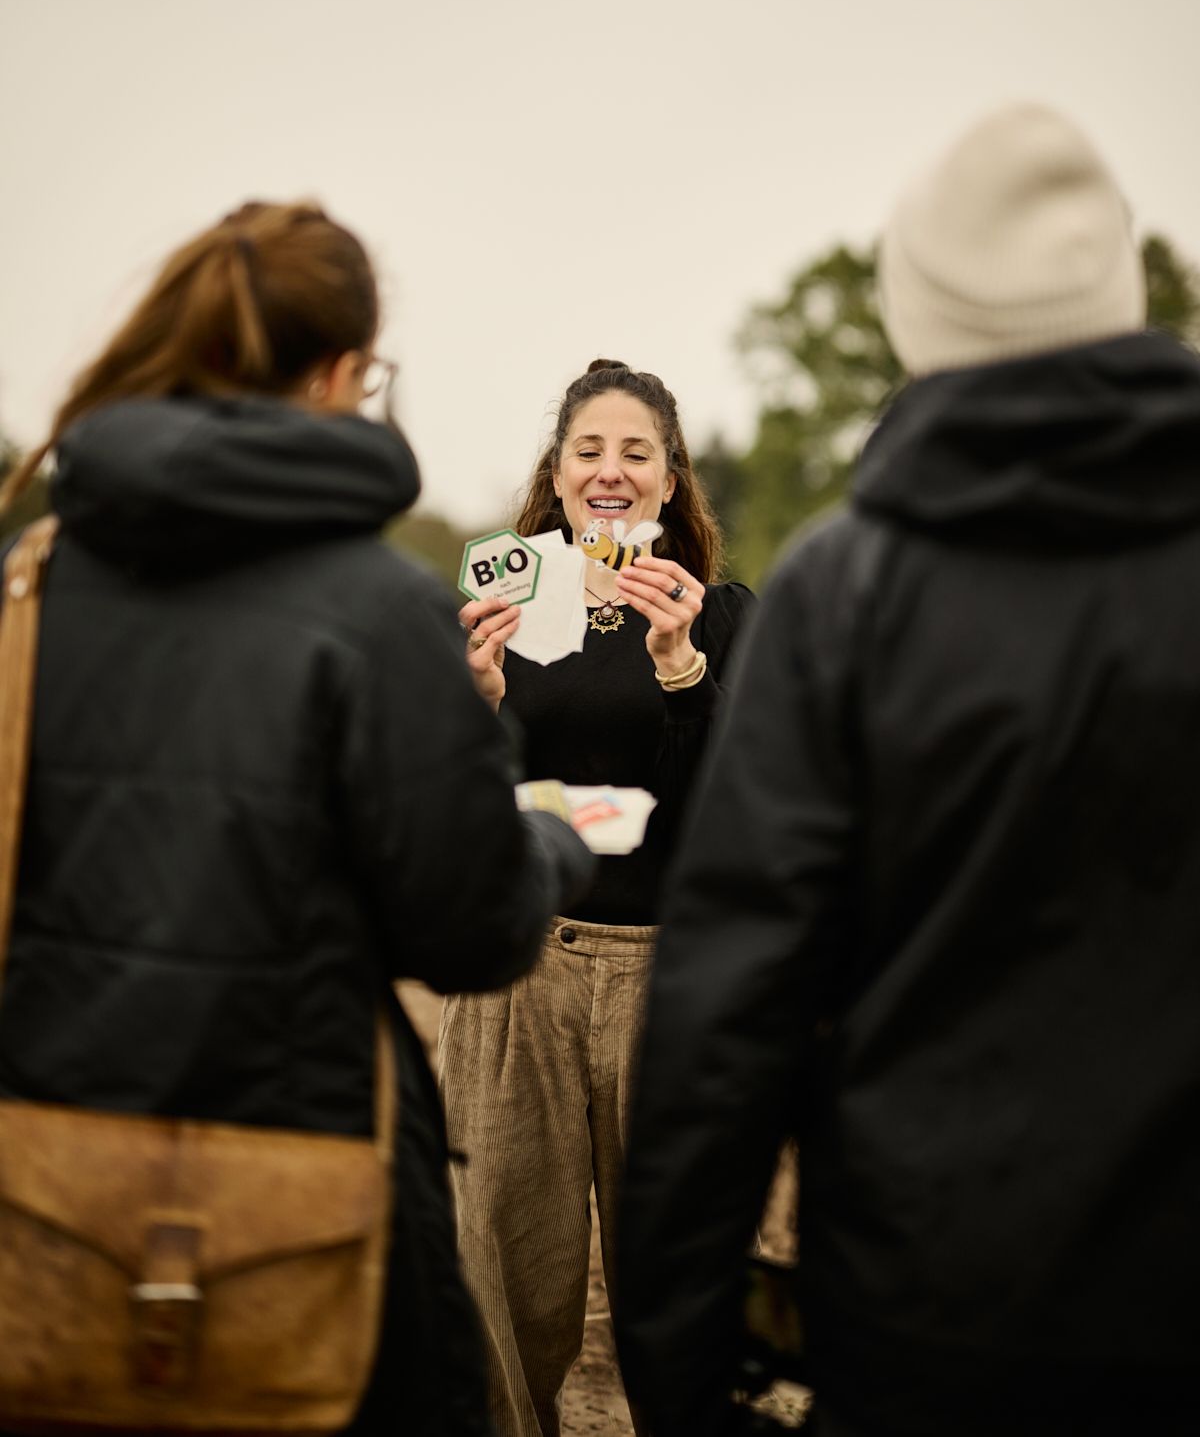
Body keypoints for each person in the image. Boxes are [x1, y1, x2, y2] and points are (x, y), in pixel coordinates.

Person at [615, 104, 1200, 1437]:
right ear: (1123, 293)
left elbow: (727, 1016)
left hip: (936, 1318)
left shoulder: (844, 595)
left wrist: (683, 1374)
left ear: (917, 318)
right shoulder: (835, 593)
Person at [0, 200, 593, 1437]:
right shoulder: (380, 610)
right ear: (338, 374)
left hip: (52, 1206)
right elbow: (473, 932)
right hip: (316, 1216)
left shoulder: (29, 586)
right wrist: (546, 833)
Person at [439, 358, 754, 1437]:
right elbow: (451, 810)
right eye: (589, 451)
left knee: (676, 1289)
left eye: (636, 453)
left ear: (670, 485)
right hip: (518, 968)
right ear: (558, 476)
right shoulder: (500, 610)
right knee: (507, 1282)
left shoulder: (723, 618)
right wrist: (475, 707)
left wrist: (681, 669)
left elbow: (739, 810)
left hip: (668, 977)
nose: (610, 471)